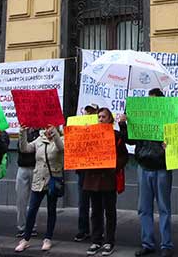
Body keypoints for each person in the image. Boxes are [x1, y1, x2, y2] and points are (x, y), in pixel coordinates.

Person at [122, 88, 173, 257]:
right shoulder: (141, 118)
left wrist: (171, 143)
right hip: (143, 166)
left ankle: (166, 245)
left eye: (154, 100)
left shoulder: (168, 120)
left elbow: (177, 143)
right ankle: (147, 243)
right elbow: (130, 139)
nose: (150, 102)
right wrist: (124, 123)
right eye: (149, 99)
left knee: (164, 208)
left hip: (162, 167)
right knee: (144, 208)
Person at [83, 107, 129, 257]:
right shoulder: (89, 135)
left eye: (104, 117)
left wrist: (114, 166)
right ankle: (96, 240)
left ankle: (109, 241)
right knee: (95, 211)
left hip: (108, 179)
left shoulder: (115, 136)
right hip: (92, 179)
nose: (101, 119)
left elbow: (124, 156)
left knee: (109, 212)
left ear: (110, 119)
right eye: (99, 117)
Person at [15, 124, 64, 252]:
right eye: (47, 127)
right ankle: (26, 239)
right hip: (38, 180)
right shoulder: (39, 139)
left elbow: (61, 148)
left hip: (53, 180)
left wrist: (55, 134)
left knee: (51, 209)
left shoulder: (61, 139)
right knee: (32, 210)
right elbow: (25, 148)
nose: (48, 130)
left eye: (51, 127)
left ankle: (48, 238)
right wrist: (22, 132)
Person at [75, 103, 100, 242]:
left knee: (96, 204)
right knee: (82, 202)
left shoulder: (101, 131)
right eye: (87, 112)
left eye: (92, 113)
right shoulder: (79, 130)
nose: (89, 115)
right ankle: (83, 230)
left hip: (96, 172)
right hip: (83, 171)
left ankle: (97, 231)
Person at [15, 126, 41, 238]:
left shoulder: (40, 133)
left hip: (36, 168)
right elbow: (21, 147)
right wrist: (23, 132)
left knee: (34, 201)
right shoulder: (22, 131)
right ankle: (21, 227)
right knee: (21, 200)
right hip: (23, 168)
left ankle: (32, 227)